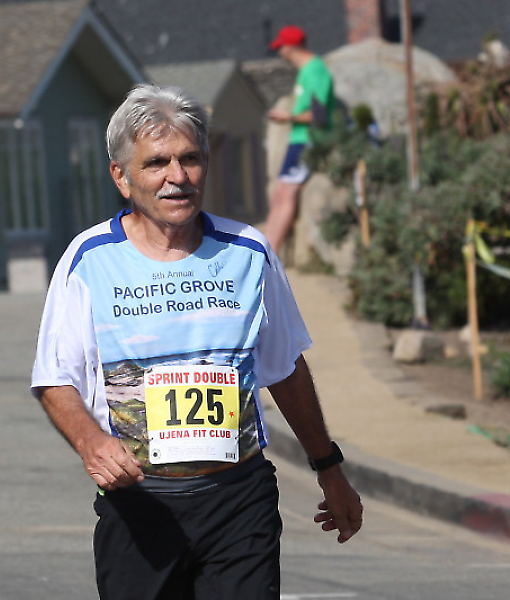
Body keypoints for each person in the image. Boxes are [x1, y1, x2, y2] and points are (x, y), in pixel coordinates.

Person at [31, 84, 362, 600]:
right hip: (141, 506)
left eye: (189, 159)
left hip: (239, 502)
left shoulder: (248, 251)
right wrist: (90, 442)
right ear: (121, 176)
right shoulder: (87, 259)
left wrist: (329, 469)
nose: (177, 177)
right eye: (156, 163)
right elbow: (55, 379)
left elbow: (285, 369)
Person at [264, 25, 335, 254]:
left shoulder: (315, 71)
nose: (280, 53)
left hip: (309, 140)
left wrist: (288, 116)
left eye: (281, 47)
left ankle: (271, 254)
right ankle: (263, 249)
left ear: (290, 47)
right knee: (279, 192)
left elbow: (319, 115)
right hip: (299, 139)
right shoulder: (306, 71)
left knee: (286, 192)